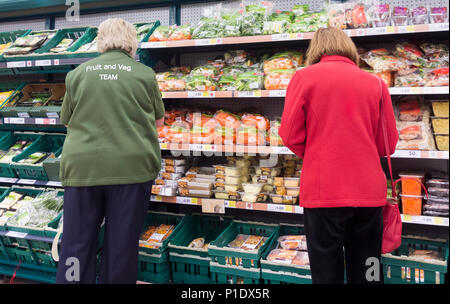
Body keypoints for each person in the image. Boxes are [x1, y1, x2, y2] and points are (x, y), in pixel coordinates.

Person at [279, 27, 399, 284]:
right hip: (368, 194)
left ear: (316, 49)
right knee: (370, 267)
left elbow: (289, 135)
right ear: (349, 48)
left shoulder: (303, 78)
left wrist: (316, 154)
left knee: (325, 271)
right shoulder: (376, 83)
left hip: (323, 192)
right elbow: (387, 145)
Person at [55, 18, 165, 284]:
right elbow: (159, 122)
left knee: (76, 244)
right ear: (131, 41)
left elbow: (67, 120)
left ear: (100, 40)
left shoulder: (77, 75)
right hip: (131, 170)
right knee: (121, 247)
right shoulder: (144, 74)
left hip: (83, 170)